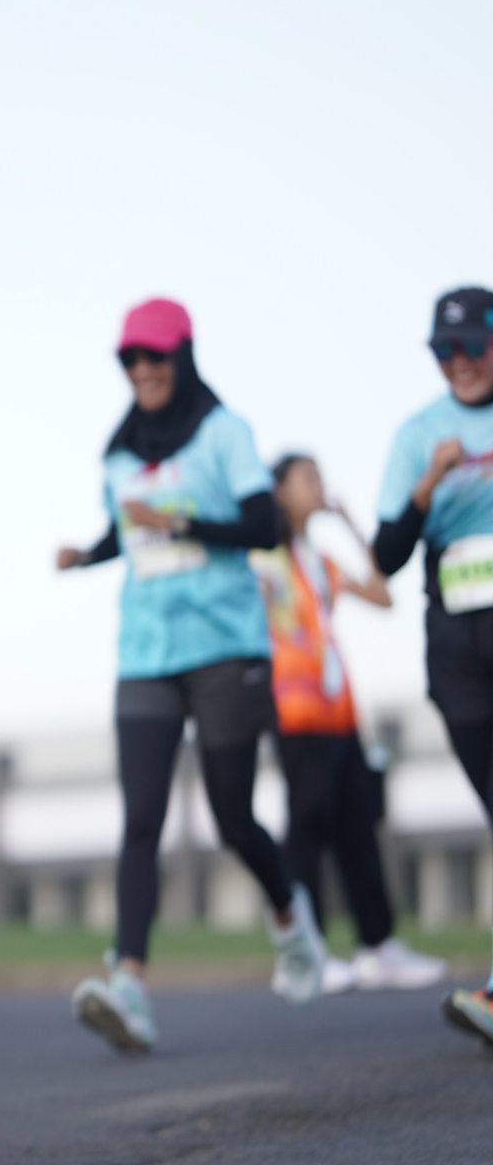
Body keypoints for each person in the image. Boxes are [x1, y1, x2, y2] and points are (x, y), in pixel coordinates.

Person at [56, 296, 323, 1052]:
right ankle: (130, 986)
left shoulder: (224, 432)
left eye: (155, 357)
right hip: (146, 654)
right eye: (131, 359)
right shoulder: (118, 452)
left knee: (232, 816)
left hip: (226, 649)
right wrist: (89, 553)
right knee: (141, 819)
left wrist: (179, 521)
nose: (143, 370)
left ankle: (288, 914)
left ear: (182, 357)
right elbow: (128, 532)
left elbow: (265, 526)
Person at [255, 455, 445, 993]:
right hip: (294, 712)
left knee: (357, 826)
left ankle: (377, 945)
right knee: (306, 827)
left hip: (338, 712)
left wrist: (350, 526)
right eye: (307, 478)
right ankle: (303, 951)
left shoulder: (319, 562)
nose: (319, 486)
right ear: (279, 491)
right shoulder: (265, 558)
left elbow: (382, 596)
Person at [372, 287, 493, 1045]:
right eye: (443, 351)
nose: (458, 363)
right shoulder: (419, 433)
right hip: (456, 644)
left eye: (471, 346)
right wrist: (429, 484)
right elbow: (385, 556)